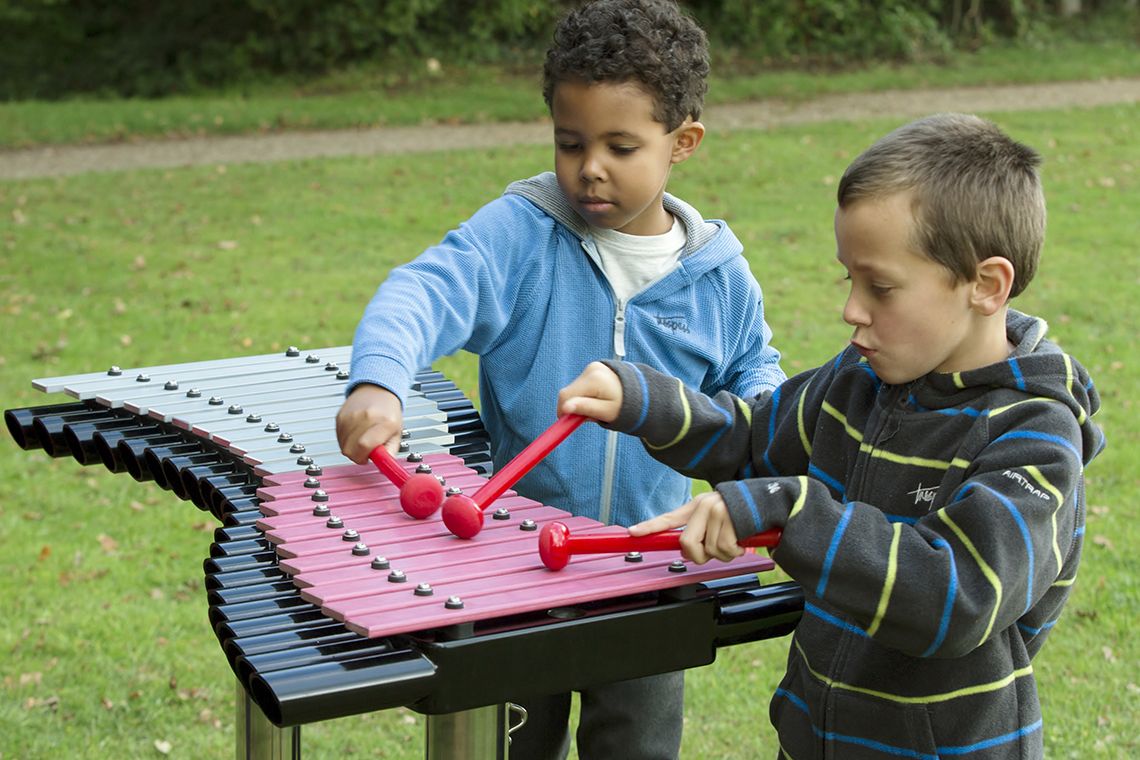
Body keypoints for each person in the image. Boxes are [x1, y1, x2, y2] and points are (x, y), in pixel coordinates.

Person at [557, 112, 1106, 759]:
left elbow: (958, 596)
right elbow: (753, 442)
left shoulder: (1036, 436)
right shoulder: (860, 377)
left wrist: (793, 511)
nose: (852, 308)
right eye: (850, 278)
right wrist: (647, 402)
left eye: (881, 286)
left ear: (986, 285)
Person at [335, 1, 785, 756]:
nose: (589, 167)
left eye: (620, 145)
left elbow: (758, 389)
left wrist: (767, 466)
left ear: (684, 143)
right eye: (569, 143)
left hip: (644, 569)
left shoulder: (719, 279)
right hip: (511, 570)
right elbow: (424, 289)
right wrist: (378, 380)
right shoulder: (521, 235)